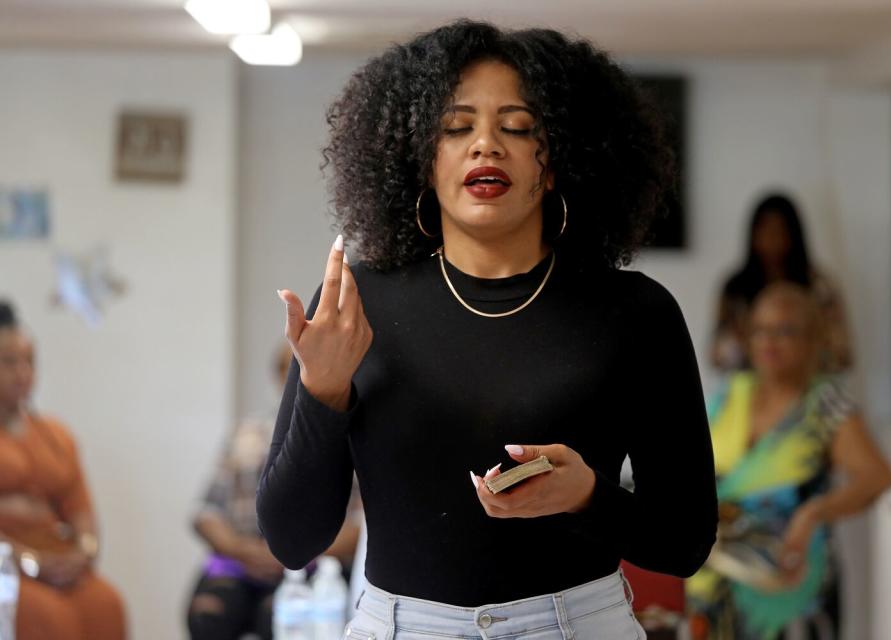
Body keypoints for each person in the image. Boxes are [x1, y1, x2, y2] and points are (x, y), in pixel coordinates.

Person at [259, 20, 718, 640]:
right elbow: (291, 540)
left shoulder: (636, 312)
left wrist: (587, 496)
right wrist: (324, 393)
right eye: (456, 127)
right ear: (422, 159)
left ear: (557, 162)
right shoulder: (357, 302)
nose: (486, 145)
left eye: (518, 127)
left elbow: (685, 542)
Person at [686, 283, 891, 640]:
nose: (769, 341)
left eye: (785, 331)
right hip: (712, 586)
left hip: (790, 590)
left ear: (812, 340)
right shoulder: (731, 393)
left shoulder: (825, 403)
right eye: (761, 330)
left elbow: (877, 478)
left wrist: (812, 513)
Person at [187, 342, 362, 639]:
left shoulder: (351, 435)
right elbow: (207, 511)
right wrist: (239, 549)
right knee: (210, 614)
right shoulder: (247, 431)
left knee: (277, 617)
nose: (300, 374)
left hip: (315, 569)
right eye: (292, 367)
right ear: (279, 375)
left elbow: (364, 525)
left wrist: (292, 554)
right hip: (241, 560)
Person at [0, 300, 126, 640]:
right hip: (8, 569)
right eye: (9, 362)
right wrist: (28, 561)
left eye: (29, 361)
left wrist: (82, 553)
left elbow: (81, 512)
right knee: (47, 618)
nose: (22, 372)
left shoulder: (55, 436)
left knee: (105, 603)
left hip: (56, 561)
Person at [711, 193, 853, 374]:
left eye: (786, 331)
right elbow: (717, 354)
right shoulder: (735, 289)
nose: (772, 239)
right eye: (762, 331)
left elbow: (841, 352)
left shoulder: (818, 286)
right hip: (751, 392)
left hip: (808, 389)